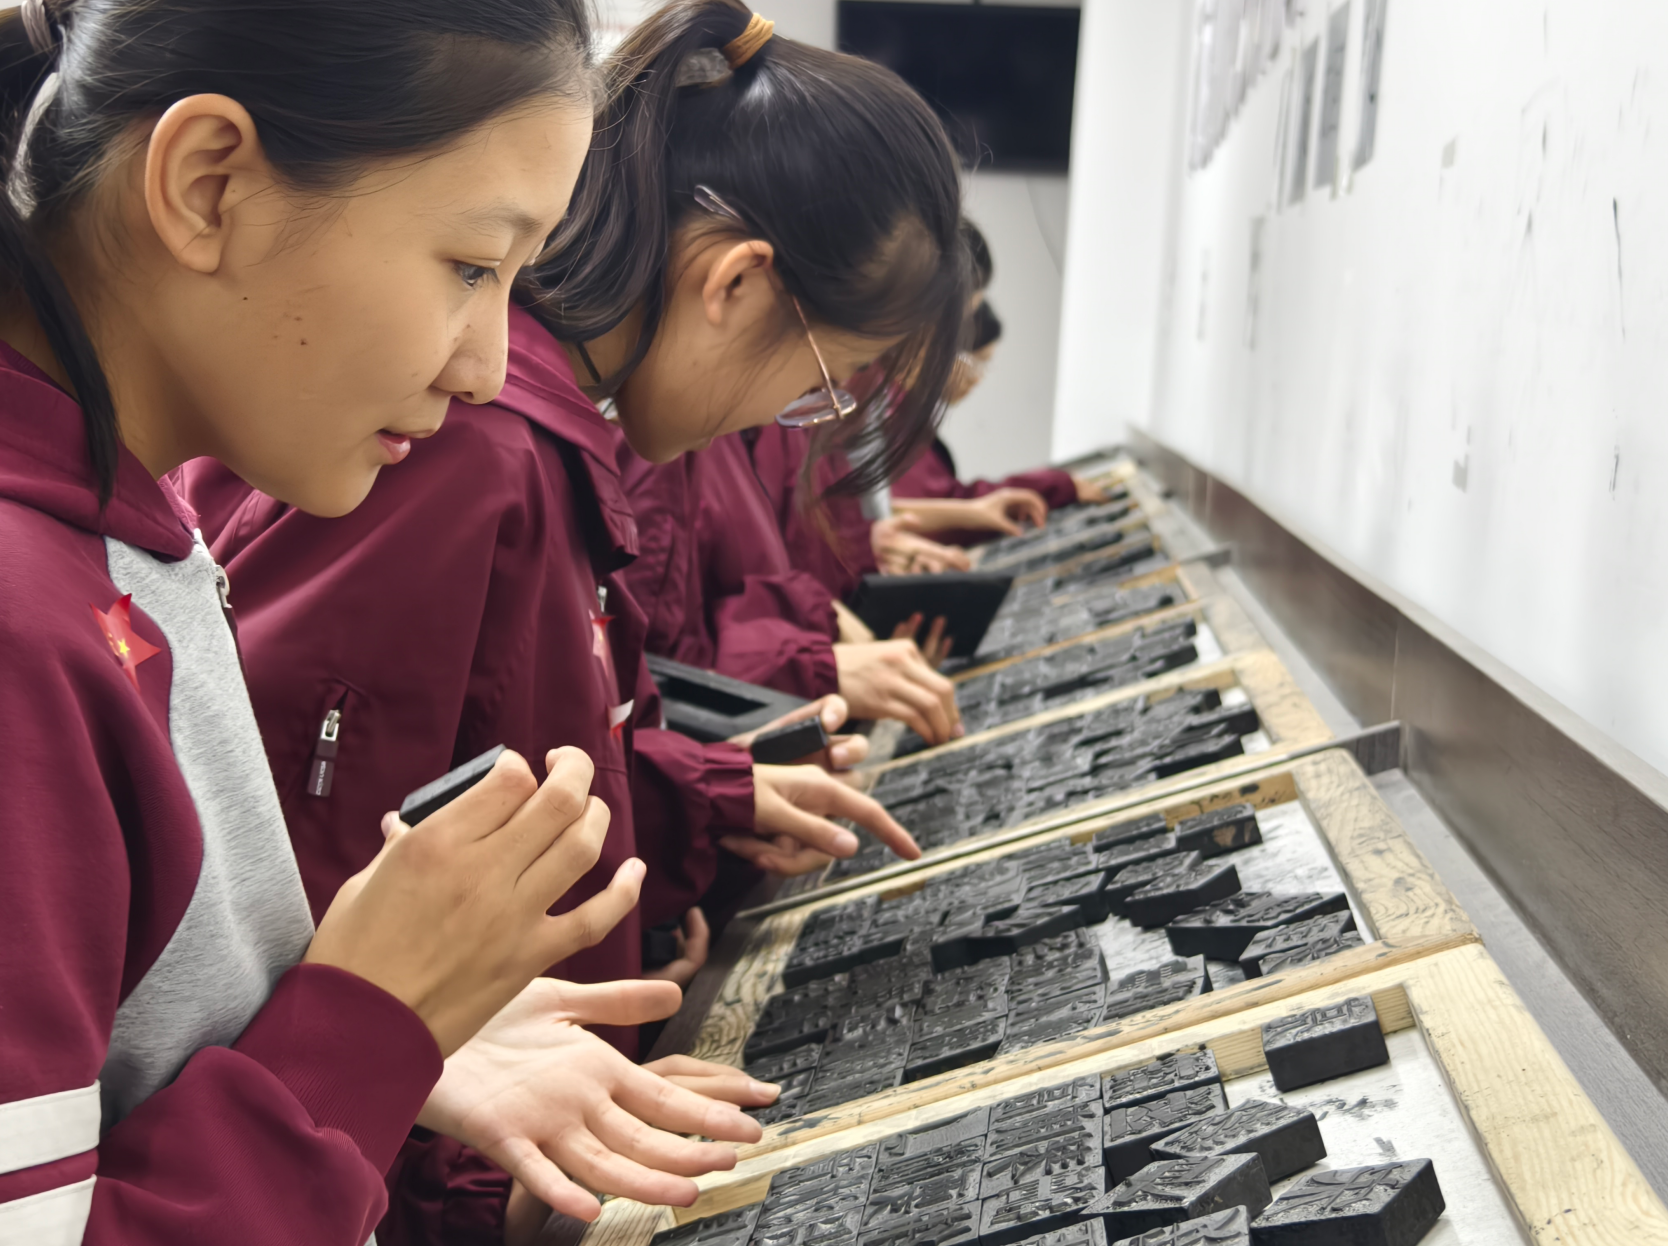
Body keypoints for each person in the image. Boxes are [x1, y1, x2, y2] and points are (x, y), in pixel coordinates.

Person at [0, 0, 764, 1243]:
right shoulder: (22, 625)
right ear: (207, 186)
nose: (483, 365)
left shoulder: (128, 537)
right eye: (470, 266)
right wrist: (359, 1024)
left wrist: (411, 1034)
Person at [179, 0, 962, 1012]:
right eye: (820, 382)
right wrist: (458, 1095)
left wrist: (687, 808)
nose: (476, 360)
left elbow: (488, 763)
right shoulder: (463, 445)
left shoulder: (543, 443)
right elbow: (309, 865)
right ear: (736, 284)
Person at [618, 427, 968, 737]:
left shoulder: (770, 424)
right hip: (757, 730)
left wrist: (867, 557)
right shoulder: (662, 441)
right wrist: (817, 665)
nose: (829, 395)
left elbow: (802, 557)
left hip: (797, 710)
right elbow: (658, 673)